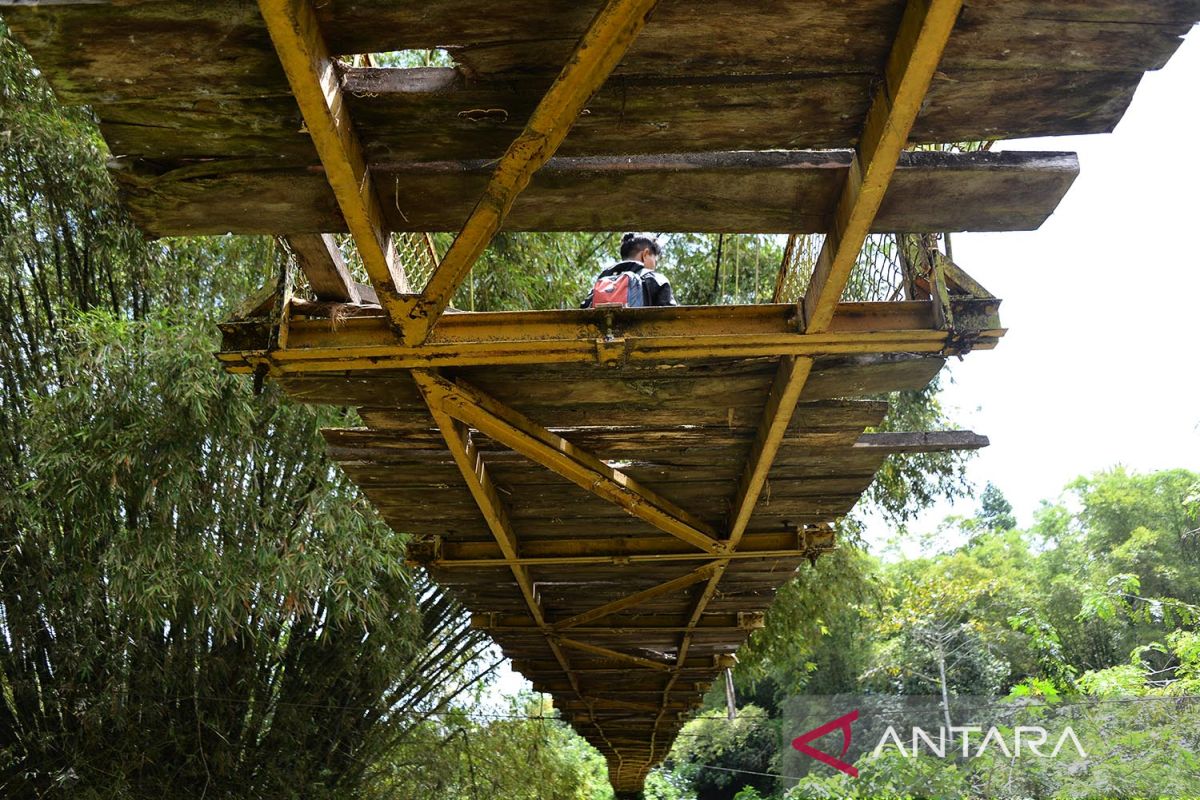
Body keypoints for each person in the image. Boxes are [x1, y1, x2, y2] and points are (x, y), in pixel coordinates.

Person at [581, 232, 678, 308]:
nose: (655, 266)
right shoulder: (656, 279)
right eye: (655, 261)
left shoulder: (602, 281)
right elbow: (672, 318)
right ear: (645, 254)